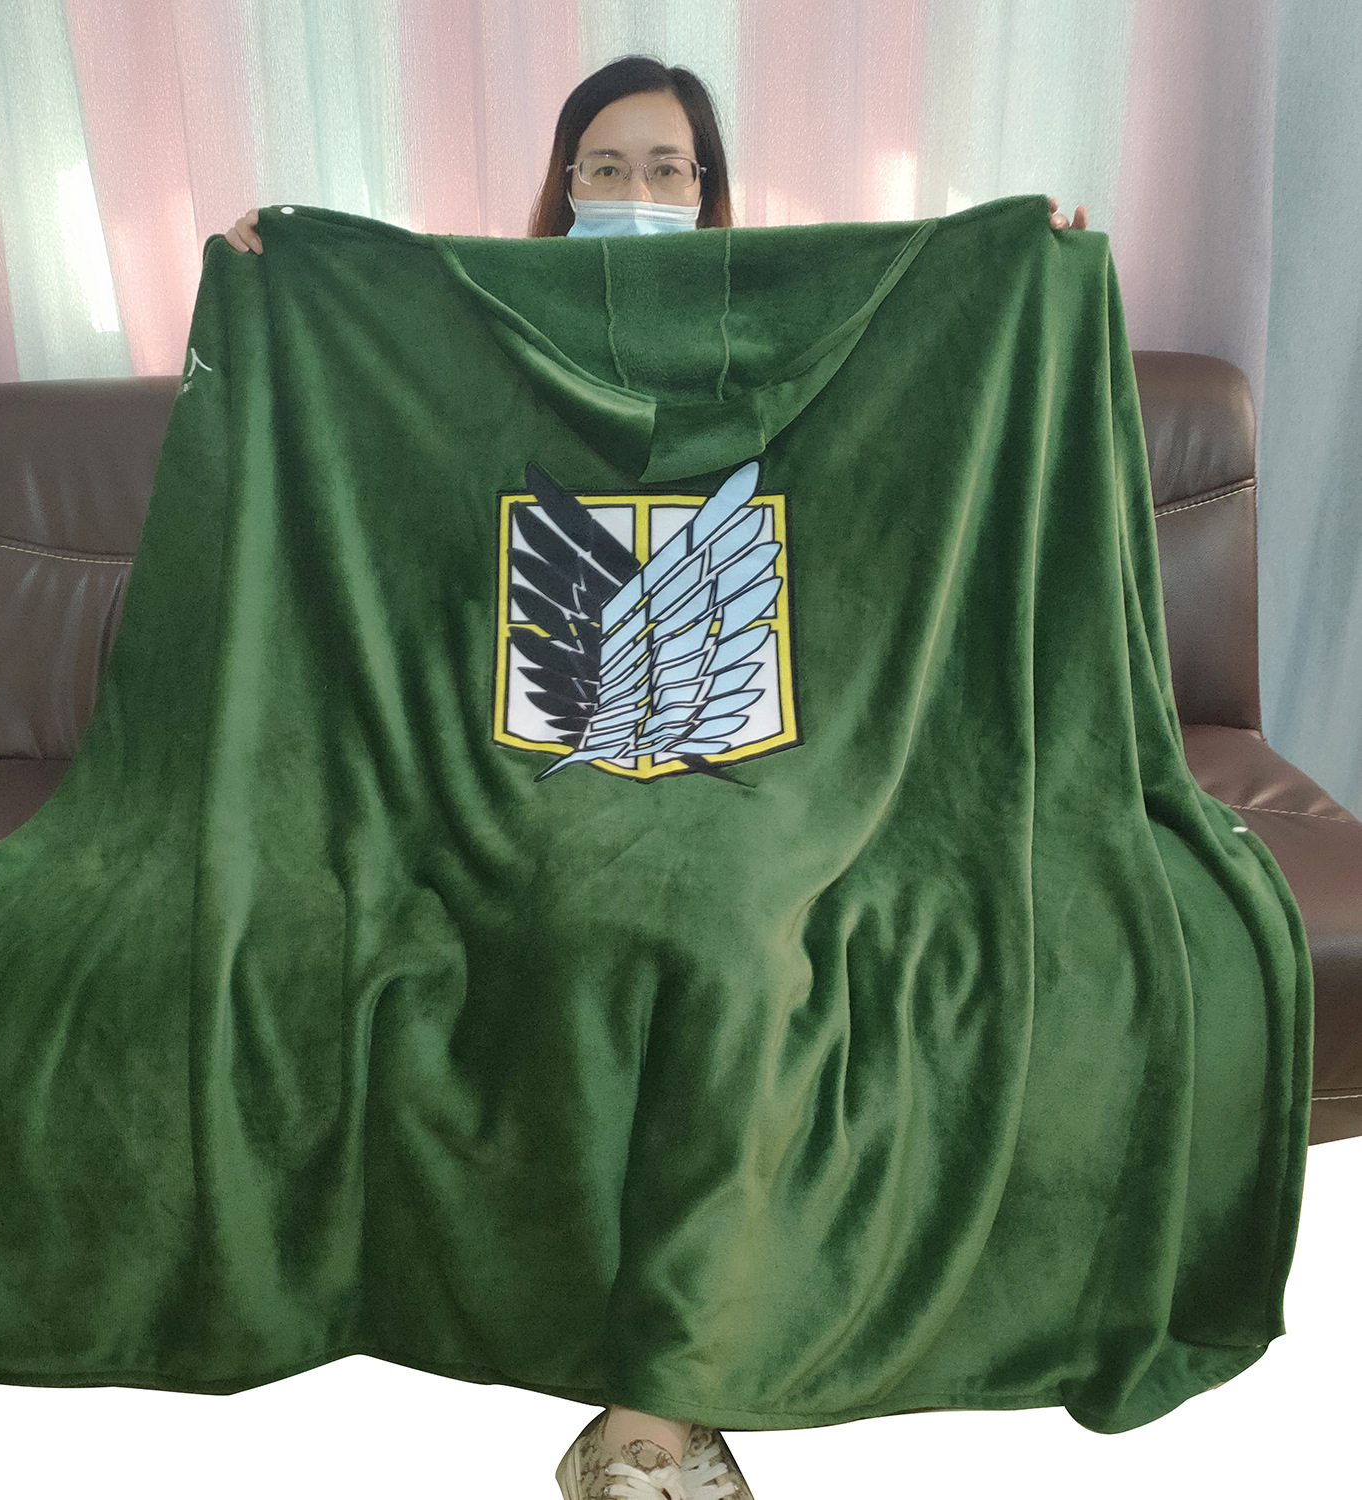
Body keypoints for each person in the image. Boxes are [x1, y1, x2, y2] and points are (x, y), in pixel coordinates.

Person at [220, 53, 1088, 1500]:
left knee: (734, 945)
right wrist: (282, 270)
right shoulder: (490, 331)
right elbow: (387, 428)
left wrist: (1023, 257)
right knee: (580, 928)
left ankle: (648, 1416)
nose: (637, 190)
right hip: (538, 760)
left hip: (763, 760)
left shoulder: (786, 341)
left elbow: (924, 334)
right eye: (607, 167)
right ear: (562, 185)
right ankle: (651, 1416)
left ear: (709, 190)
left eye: (668, 168)